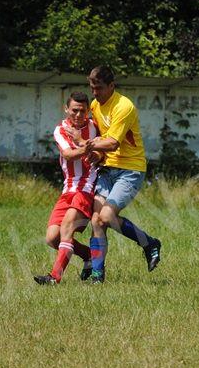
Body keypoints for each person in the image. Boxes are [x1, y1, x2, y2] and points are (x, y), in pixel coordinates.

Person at [80, 65, 162, 284]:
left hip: (130, 170)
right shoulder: (95, 105)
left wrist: (85, 145)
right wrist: (96, 154)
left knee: (107, 216)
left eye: (99, 88)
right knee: (97, 220)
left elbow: (113, 142)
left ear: (111, 86)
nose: (94, 93)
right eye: (91, 88)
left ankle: (149, 243)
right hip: (107, 169)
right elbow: (102, 139)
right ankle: (97, 276)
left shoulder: (124, 106)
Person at [33, 91, 102, 285]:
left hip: (87, 187)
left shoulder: (95, 126)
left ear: (88, 111)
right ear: (66, 109)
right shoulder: (60, 129)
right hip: (68, 189)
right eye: (74, 110)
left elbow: (105, 150)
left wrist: (94, 150)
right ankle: (89, 255)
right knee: (52, 238)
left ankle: (54, 277)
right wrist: (87, 146)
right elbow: (68, 154)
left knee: (67, 227)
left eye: (82, 111)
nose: (78, 115)